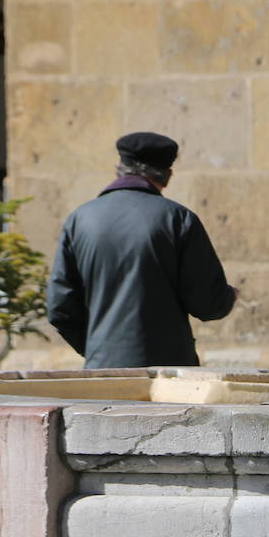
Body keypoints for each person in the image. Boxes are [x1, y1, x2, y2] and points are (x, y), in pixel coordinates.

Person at [47, 131, 237, 368]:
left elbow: (60, 309)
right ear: (167, 174)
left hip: (102, 371)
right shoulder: (177, 219)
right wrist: (229, 295)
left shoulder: (79, 219)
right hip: (169, 374)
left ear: (120, 167)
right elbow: (208, 304)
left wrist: (99, 349)